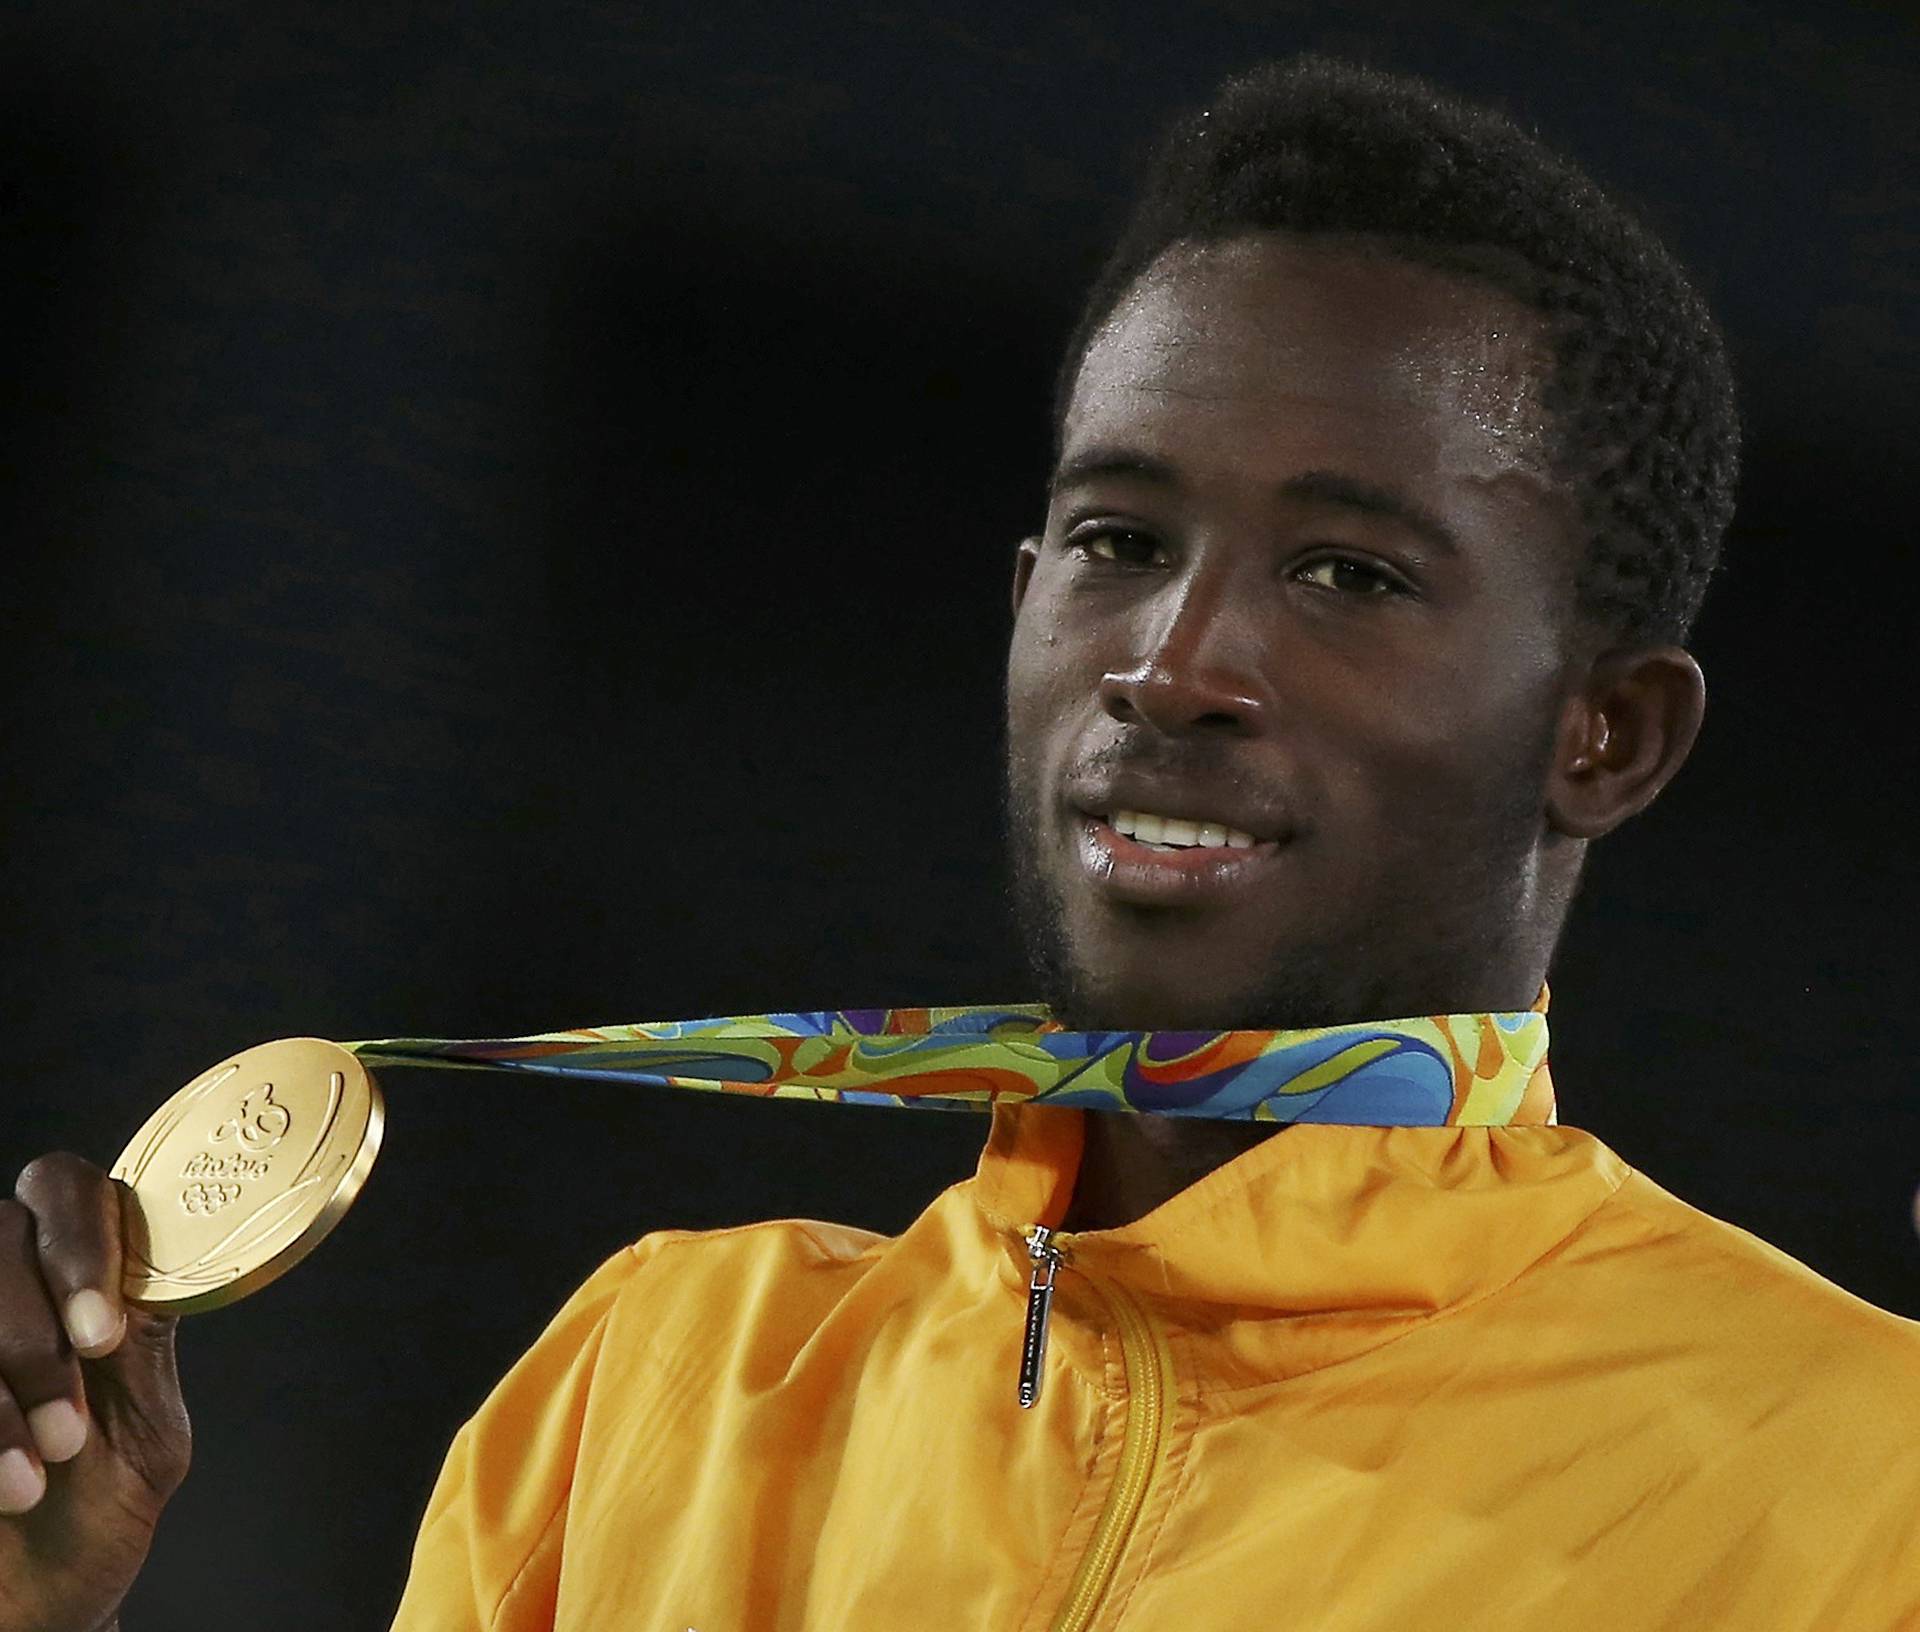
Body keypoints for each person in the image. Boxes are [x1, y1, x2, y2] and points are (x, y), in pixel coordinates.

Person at [3, 53, 1916, 1632]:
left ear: (1609, 732)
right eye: (1119, 543)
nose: (1173, 665)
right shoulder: (665, 1386)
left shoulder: (1847, 1479)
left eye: (1348, 574)